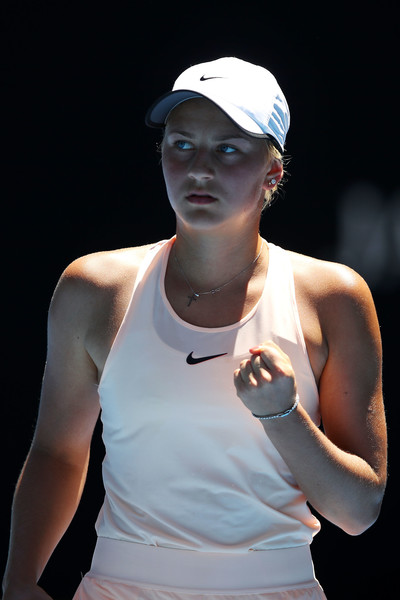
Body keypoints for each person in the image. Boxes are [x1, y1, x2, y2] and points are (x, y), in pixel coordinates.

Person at [2, 57, 387, 600]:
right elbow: (57, 453)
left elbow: (358, 512)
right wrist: (18, 580)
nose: (199, 168)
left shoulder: (333, 296)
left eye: (228, 148)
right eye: (182, 145)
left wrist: (282, 412)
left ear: (271, 173)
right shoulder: (91, 287)